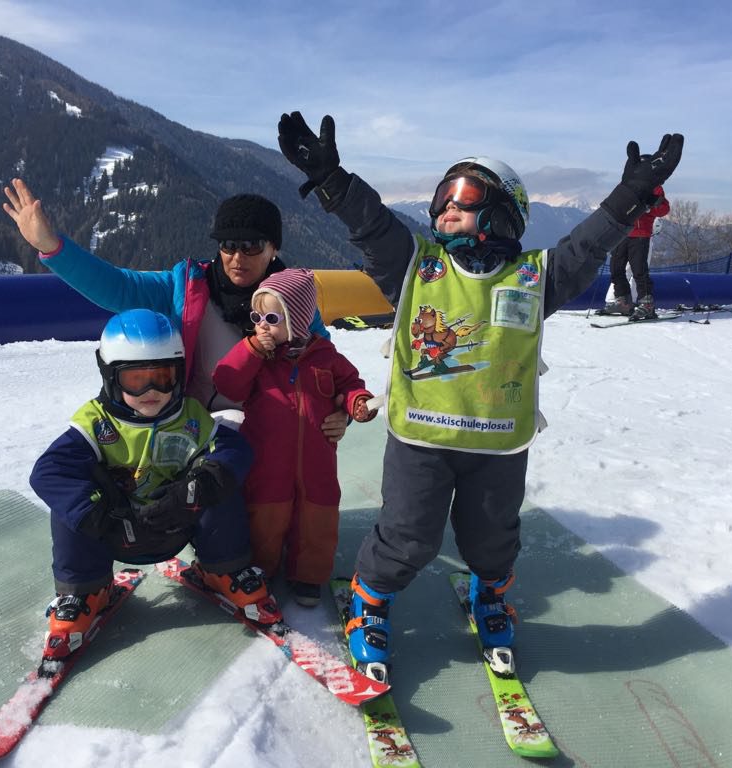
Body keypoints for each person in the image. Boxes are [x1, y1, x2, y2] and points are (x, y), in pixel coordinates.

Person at [277, 110, 683, 682]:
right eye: (441, 200)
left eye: (460, 199)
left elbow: (587, 246)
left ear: (502, 210)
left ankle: (490, 593)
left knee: (493, 541)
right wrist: (331, 181)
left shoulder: (535, 278)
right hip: (422, 438)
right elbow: (372, 228)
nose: (445, 210)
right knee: (408, 536)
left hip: (497, 446)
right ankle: (370, 602)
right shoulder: (416, 267)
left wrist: (633, 193)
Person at [1, 180, 350, 439]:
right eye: (228, 245)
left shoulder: (293, 300)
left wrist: (339, 410)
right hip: (195, 430)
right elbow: (118, 288)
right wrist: (52, 247)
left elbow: (325, 364)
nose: (237, 257)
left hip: (273, 429)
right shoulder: (187, 285)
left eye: (251, 245)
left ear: (273, 248)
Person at [30, 308, 280, 661]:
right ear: (111, 377)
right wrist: (98, 515)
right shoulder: (96, 423)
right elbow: (48, 471)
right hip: (115, 530)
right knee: (69, 505)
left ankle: (225, 570)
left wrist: (200, 487)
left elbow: (233, 450)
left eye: (163, 378)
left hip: (177, 520)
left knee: (219, 483)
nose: (152, 391)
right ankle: (84, 591)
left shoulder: (189, 417)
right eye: (136, 380)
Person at [213, 268, 377, 606]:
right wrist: (252, 349)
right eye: (256, 316)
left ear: (298, 319)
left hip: (316, 459)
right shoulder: (260, 359)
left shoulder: (326, 358)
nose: (261, 324)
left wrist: (357, 404)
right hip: (267, 458)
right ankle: (262, 568)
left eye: (272, 317)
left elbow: (350, 385)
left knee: (316, 518)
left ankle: (308, 576)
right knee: (266, 516)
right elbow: (226, 382)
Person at [602, 185, 671, 320]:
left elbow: (664, 209)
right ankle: (623, 301)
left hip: (640, 234)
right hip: (621, 232)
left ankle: (647, 305)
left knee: (639, 270)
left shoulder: (655, 186)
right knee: (616, 268)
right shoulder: (627, 184)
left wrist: (650, 207)